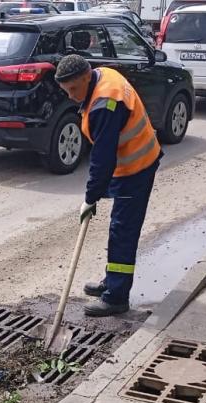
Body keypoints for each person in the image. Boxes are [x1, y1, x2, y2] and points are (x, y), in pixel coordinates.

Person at [54, 54, 162, 317]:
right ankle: (111, 281)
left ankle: (116, 297)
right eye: (66, 91)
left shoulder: (105, 103)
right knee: (119, 228)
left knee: (122, 232)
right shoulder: (102, 75)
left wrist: (91, 197)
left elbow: (102, 157)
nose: (70, 96)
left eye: (73, 89)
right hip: (130, 162)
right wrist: (96, 193)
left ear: (86, 76)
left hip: (137, 167)